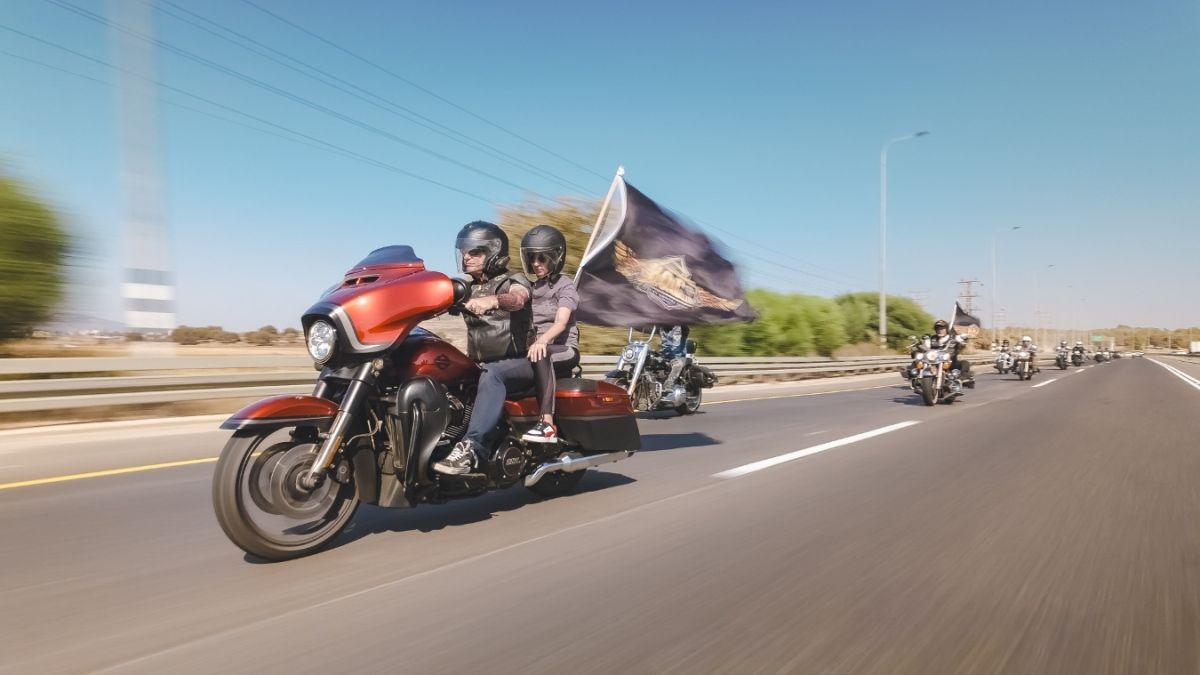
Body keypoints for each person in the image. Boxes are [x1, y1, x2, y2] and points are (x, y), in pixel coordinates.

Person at [433, 221, 534, 475]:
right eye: (464, 252)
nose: (466, 257)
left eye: (474, 252)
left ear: (493, 252)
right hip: (480, 364)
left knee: (493, 374)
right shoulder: (467, 288)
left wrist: (493, 300)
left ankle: (471, 448)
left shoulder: (513, 279)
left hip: (520, 362)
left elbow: (520, 298)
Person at [518, 225, 580, 444]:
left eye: (542, 258)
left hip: (564, 349)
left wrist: (543, 340)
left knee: (541, 353)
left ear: (556, 257)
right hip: (537, 348)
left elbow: (561, 322)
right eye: (532, 258)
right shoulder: (532, 288)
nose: (536, 263)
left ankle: (547, 424)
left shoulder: (566, 286)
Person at [925, 319, 974, 386]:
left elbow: (962, 344)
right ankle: (914, 375)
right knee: (919, 361)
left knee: (965, 363)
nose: (940, 330)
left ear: (946, 329)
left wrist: (964, 341)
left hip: (951, 362)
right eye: (938, 329)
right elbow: (926, 347)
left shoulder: (954, 337)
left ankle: (964, 377)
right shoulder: (932, 338)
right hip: (934, 362)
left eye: (942, 329)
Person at [658, 324, 691, 403]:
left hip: (678, 357)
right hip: (666, 356)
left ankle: (669, 390)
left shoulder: (679, 327)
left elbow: (673, 345)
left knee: (677, 365)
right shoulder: (662, 327)